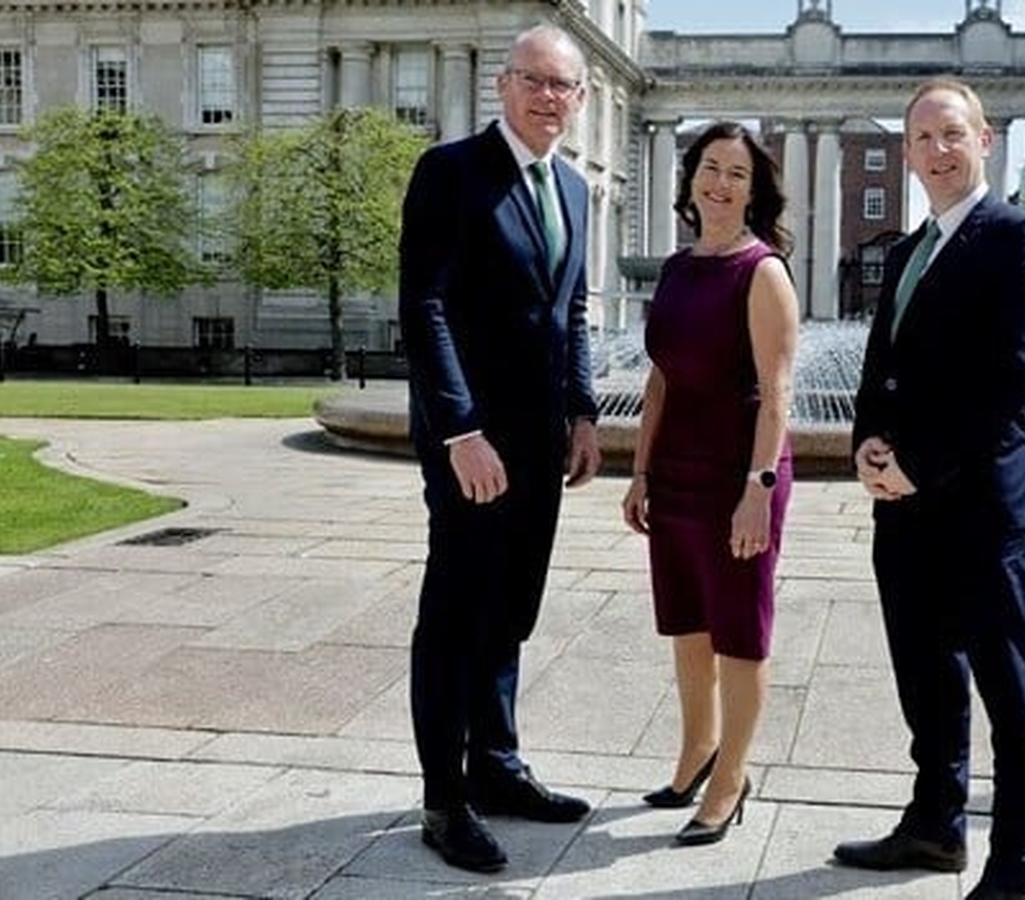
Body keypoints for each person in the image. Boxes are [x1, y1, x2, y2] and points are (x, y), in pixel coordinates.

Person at [833, 79, 1025, 900]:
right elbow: (881, 368)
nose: (939, 150)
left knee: (1008, 689)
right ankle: (935, 825)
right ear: (908, 152)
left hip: (983, 507)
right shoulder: (907, 252)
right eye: (924, 138)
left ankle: (1019, 867)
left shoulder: (1021, 240)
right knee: (925, 678)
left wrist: (918, 463)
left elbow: (1012, 378)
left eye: (953, 133)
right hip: (905, 508)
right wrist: (866, 444)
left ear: (985, 140)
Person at [398, 23, 601, 874]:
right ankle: (444, 799)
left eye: (562, 86)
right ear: (502, 85)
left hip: (541, 442)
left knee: (512, 606)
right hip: (471, 444)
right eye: (533, 80)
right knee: (457, 612)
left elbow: (573, 308)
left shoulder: (573, 188)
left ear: (579, 99)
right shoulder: (451, 173)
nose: (548, 97)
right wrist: (460, 430)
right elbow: (424, 307)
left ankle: (497, 765)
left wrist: (583, 411)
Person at [621, 121, 800, 847]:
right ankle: (697, 750)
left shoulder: (762, 271)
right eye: (710, 168)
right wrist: (639, 471)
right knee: (687, 622)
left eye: (737, 174)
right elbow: (660, 379)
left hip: (739, 474)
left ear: (753, 193)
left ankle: (731, 778)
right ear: (690, 178)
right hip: (676, 473)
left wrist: (758, 489)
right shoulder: (676, 268)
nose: (720, 184)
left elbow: (778, 392)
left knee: (739, 631)